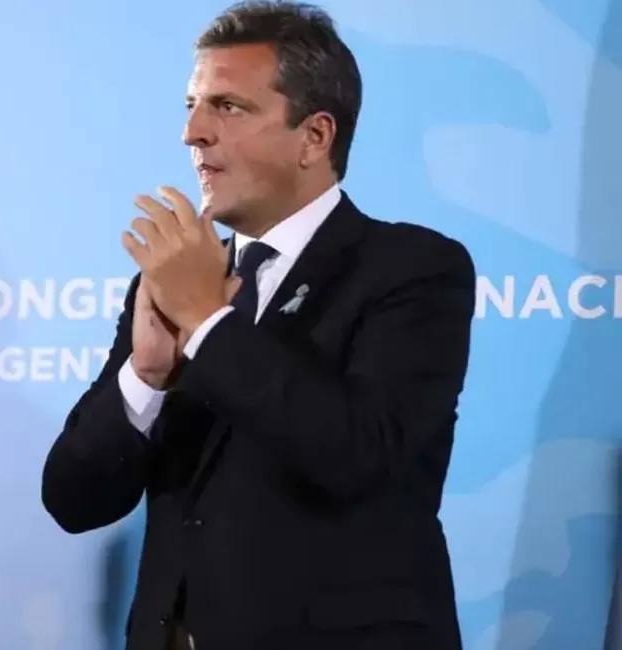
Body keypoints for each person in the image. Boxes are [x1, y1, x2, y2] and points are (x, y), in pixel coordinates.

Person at [41, 2, 474, 649]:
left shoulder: (412, 269)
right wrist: (147, 375)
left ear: (315, 137)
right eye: (191, 105)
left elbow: (359, 452)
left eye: (228, 107)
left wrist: (209, 325)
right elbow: (74, 500)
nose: (193, 132)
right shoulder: (174, 282)